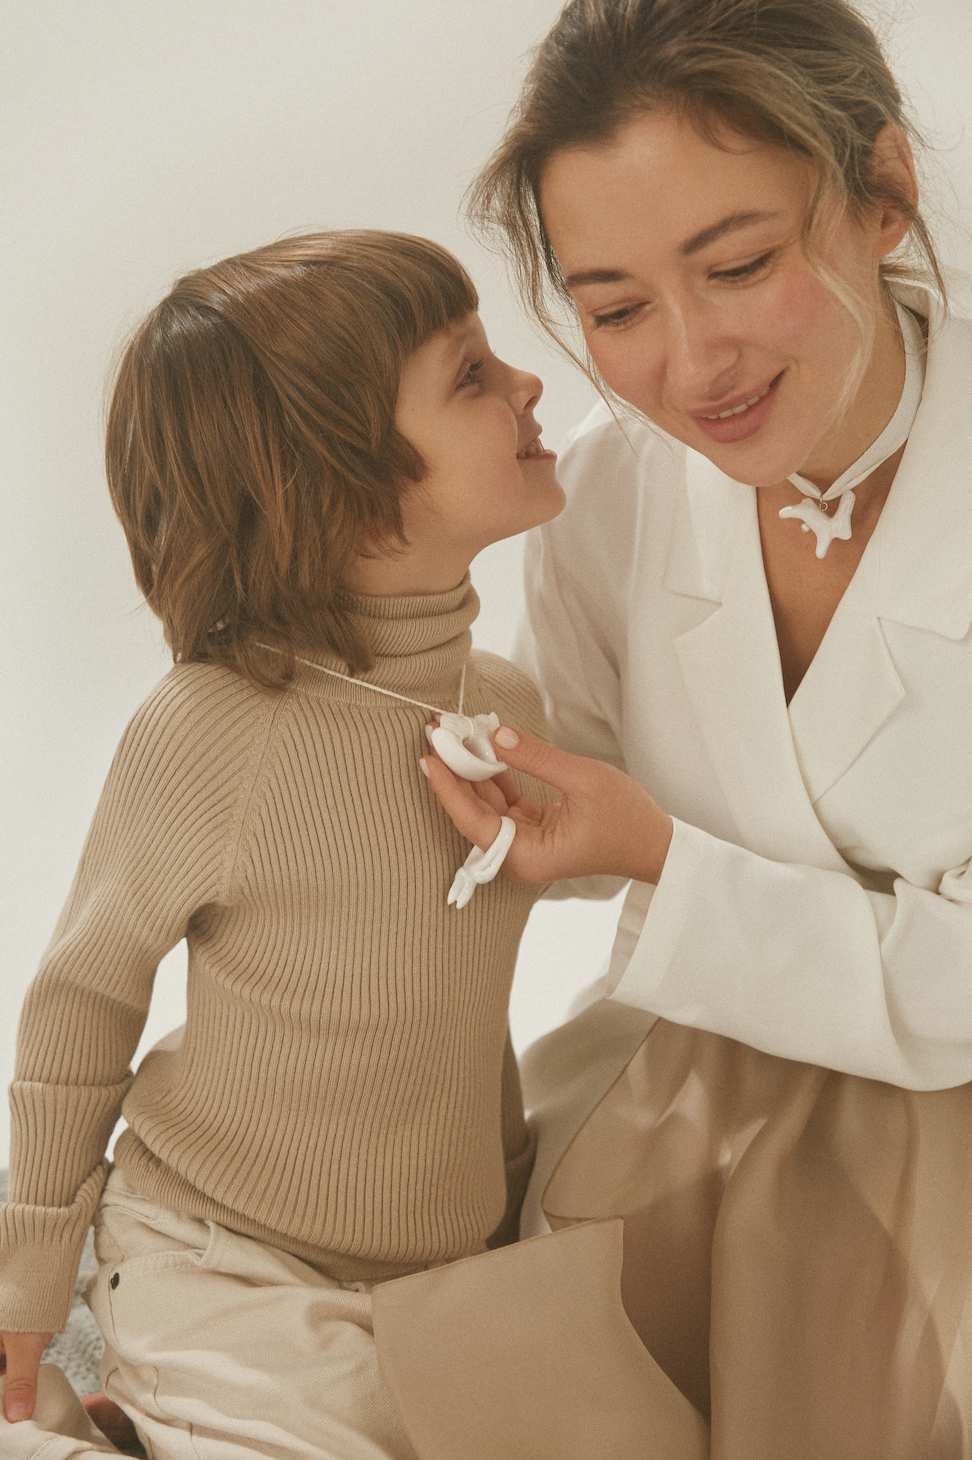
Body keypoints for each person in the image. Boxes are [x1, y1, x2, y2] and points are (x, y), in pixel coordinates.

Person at [378, 1, 972, 1456]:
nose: (693, 365)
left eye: (741, 265)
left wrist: (661, 857)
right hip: (699, 1080)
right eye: (618, 305)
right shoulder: (614, 486)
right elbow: (587, 813)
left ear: (883, 191)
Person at [0, 229, 566, 1458]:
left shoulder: (505, 704)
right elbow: (84, 995)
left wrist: (513, 1209)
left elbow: (460, 999)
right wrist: (27, 1280)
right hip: (225, 1253)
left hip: (441, 1259)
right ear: (348, 495)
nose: (529, 384)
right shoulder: (214, 725)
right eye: (472, 375)